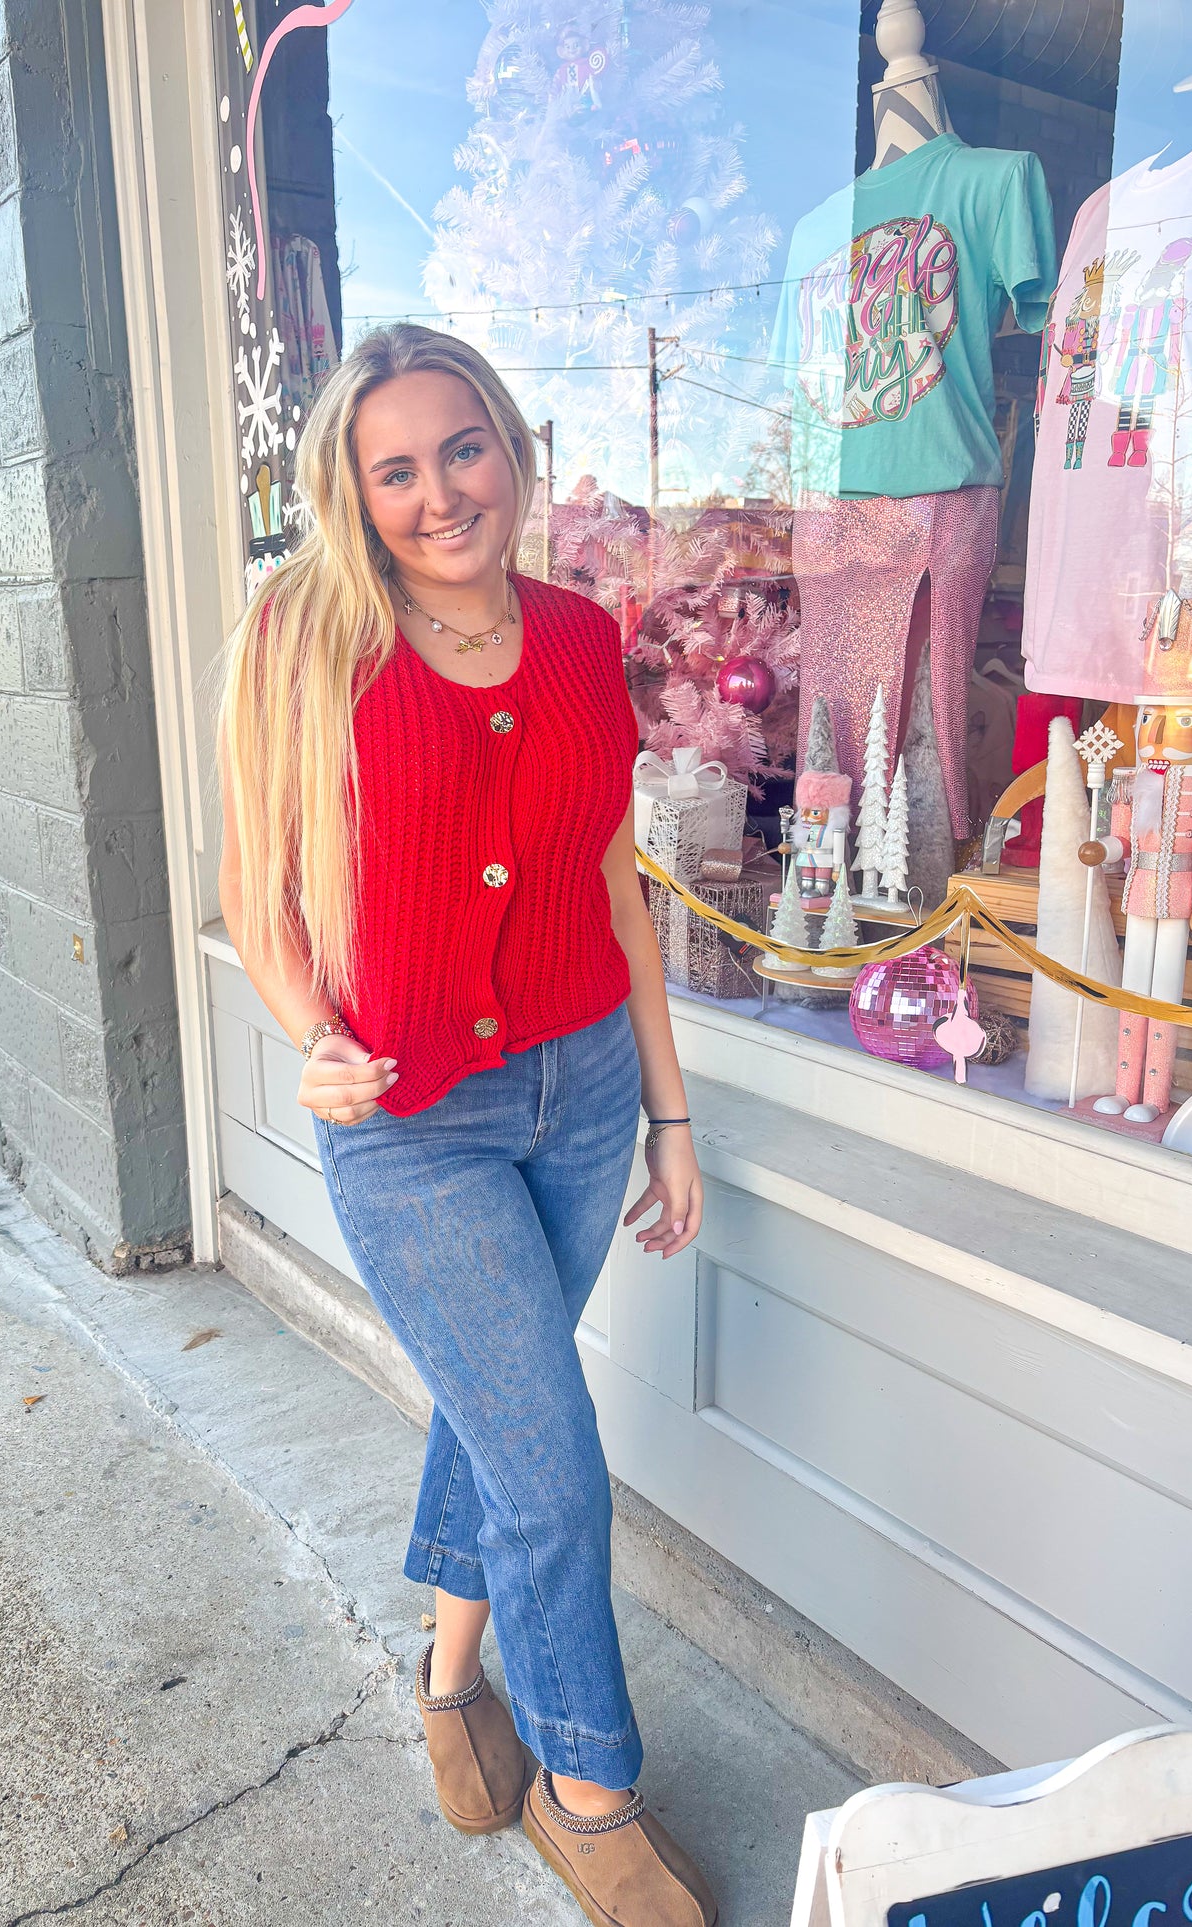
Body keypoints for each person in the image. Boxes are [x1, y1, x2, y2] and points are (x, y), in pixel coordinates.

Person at [216, 323, 717, 1926]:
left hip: (579, 1090)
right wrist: (312, 1037)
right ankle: (592, 1792)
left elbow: (611, 883)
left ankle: (447, 1686)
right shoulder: (304, 633)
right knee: (552, 1461)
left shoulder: (579, 635)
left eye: (464, 449)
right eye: (397, 468)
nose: (440, 493)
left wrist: (668, 1111)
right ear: (354, 494)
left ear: (509, 447)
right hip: (414, 1116)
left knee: (497, 1424)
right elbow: (257, 882)